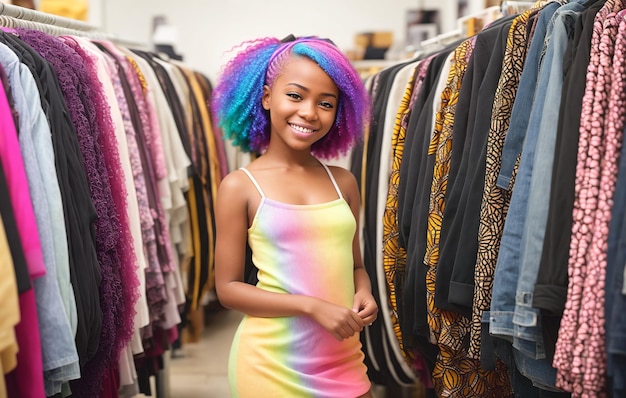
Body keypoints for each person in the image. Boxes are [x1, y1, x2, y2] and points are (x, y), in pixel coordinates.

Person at [212, 34, 378, 398]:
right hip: (270, 364)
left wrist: (363, 292)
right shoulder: (240, 186)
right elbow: (228, 290)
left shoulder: (344, 183)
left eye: (326, 103)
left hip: (344, 356)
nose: (309, 112)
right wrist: (312, 306)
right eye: (295, 95)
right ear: (267, 97)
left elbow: (355, 267)